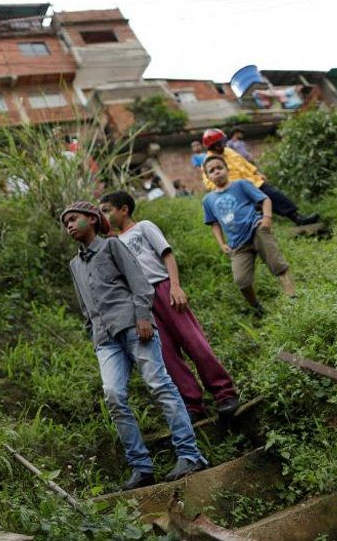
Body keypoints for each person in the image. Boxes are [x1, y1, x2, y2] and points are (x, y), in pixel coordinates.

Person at [62, 201, 208, 491]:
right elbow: (84, 306)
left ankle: (190, 455)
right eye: (65, 223)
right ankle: (142, 467)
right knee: (113, 395)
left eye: (73, 219)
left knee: (159, 384)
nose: (68, 226)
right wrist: (93, 332)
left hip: (133, 327)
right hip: (105, 339)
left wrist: (143, 316)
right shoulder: (74, 265)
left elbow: (140, 283)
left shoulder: (113, 247)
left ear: (91, 220)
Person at [99, 192, 239, 421]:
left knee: (194, 342)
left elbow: (167, 255)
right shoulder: (112, 244)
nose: (104, 215)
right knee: (167, 355)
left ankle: (224, 393)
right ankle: (193, 404)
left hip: (164, 289)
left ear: (123, 209)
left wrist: (175, 286)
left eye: (107, 210)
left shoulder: (144, 227)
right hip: (142, 304)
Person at [201, 155, 296, 315]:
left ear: (227, 169)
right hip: (237, 243)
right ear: (208, 176)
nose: (216, 172)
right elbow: (214, 224)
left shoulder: (241, 185)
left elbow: (265, 199)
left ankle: (293, 299)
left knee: (278, 265)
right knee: (241, 280)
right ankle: (257, 309)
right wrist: (221, 243)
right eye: (212, 170)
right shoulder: (208, 200)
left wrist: (266, 218)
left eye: (219, 167)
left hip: (256, 229)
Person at [200, 129, 319, 226]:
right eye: (221, 142)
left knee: (276, 195)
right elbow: (209, 183)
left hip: (254, 182)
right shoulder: (208, 161)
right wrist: (226, 188)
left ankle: (298, 218)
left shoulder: (228, 151)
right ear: (213, 146)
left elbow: (244, 163)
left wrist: (257, 172)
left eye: (223, 141)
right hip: (237, 190)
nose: (224, 144)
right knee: (255, 209)